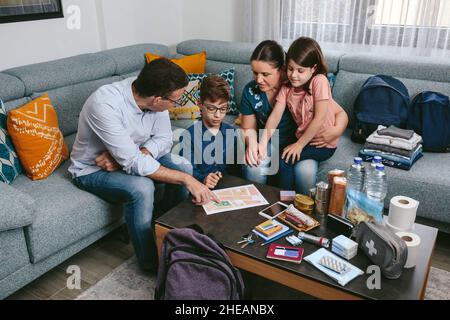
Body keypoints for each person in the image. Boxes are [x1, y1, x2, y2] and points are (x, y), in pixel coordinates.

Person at [68, 58, 219, 272]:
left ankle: (169, 233)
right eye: (174, 101)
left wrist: (132, 156)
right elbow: (132, 162)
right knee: (143, 188)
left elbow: (164, 139)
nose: (176, 104)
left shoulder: (152, 95)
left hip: (132, 154)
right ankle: (151, 263)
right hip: (91, 169)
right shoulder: (104, 104)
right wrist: (187, 180)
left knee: (183, 165)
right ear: (157, 100)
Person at [240, 40, 348, 194]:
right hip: (274, 141)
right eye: (255, 72)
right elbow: (255, 125)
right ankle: (259, 209)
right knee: (254, 166)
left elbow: (337, 113)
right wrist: (256, 144)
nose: (258, 80)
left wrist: (336, 131)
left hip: (307, 142)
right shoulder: (277, 88)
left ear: (281, 69)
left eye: (265, 74)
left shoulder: (308, 83)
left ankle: (299, 210)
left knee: (302, 170)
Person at [180, 75, 241, 189]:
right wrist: (203, 178)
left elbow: (236, 171)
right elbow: (188, 171)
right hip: (200, 189)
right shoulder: (188, 136)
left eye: (223, 109)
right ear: (200, 105)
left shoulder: (231, 133)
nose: (218, 115)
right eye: (211, 109)